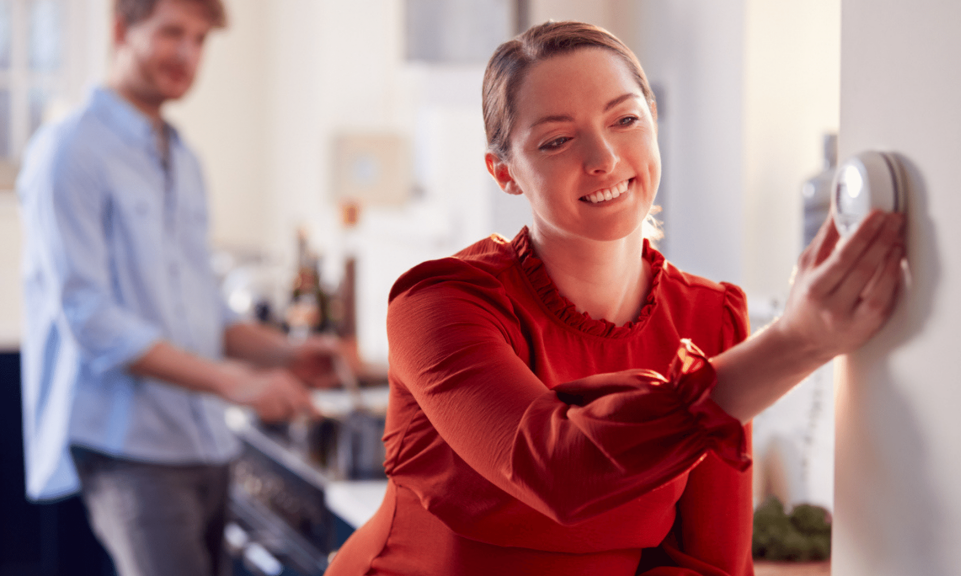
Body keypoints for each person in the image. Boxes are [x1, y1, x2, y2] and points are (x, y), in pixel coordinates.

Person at [325, 21, 904, 576]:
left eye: (625, 119)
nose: (602, 158)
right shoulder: (441, 302)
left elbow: (706, 562)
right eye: (556, 140)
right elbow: (556, 468)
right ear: (504, 173)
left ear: (654, 120)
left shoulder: (710, 316)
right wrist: (799, 342)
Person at [17, 1, 342, 575]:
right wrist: (233, 382)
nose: (188, 55)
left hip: (205, 443)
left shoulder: (183, 159)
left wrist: (287, 353)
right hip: (130, 450)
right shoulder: (69, 150)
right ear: (121, 30)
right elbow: (90, 319)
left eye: (199, 39)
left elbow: (202, 308)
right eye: (171, 33)